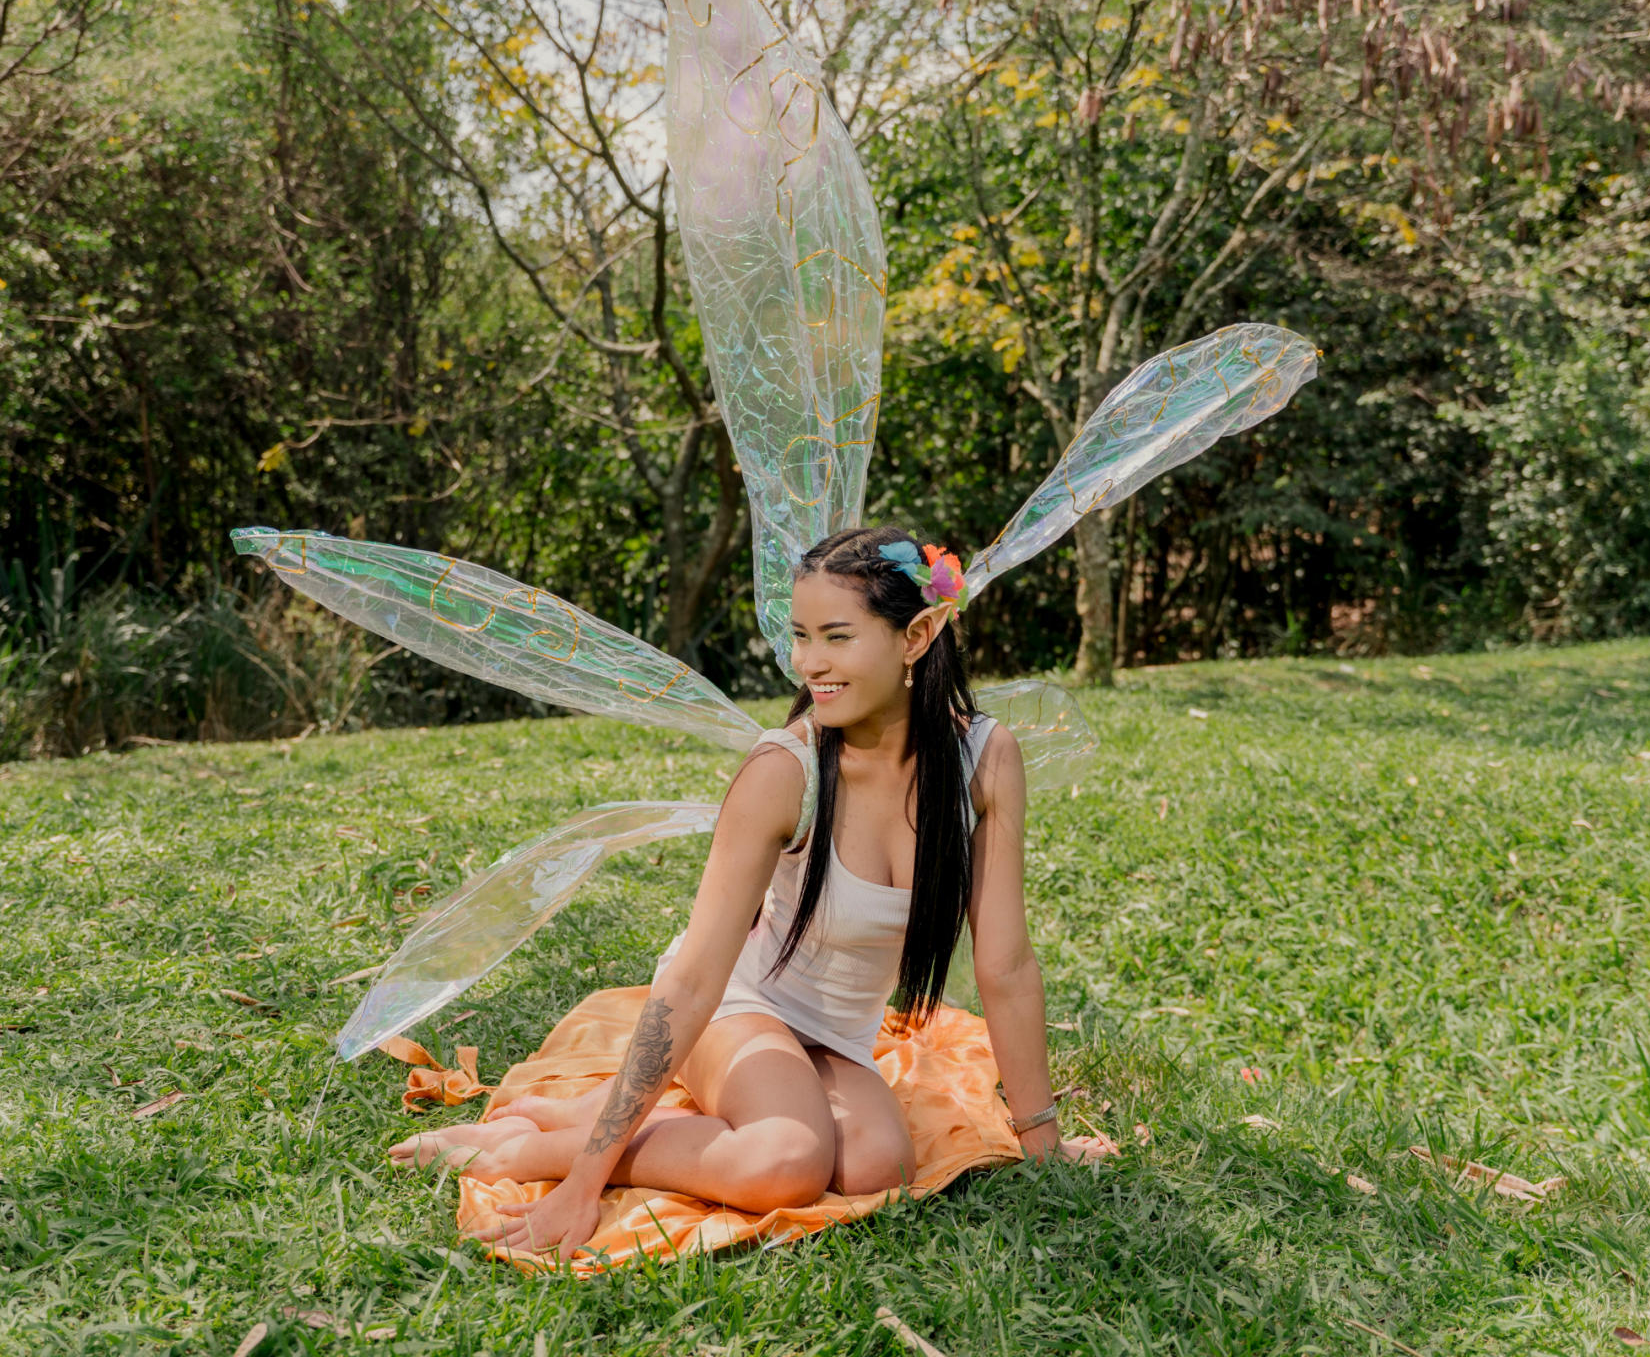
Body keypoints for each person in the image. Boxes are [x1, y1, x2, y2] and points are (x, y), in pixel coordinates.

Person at [388, 527, 1115, 1259]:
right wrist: (582, 1182)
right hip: (736, 1006)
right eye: (801, 636)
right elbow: (693, 980)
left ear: (917, 636)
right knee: (787, 1162)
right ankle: (527, 1147)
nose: (809, 663)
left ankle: (576, 1120)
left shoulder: (983, 759)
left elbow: (1006, 967)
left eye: (837, 637)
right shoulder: (784, 772)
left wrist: (1043, 1141)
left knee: (879, 1166)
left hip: (838, 1036)